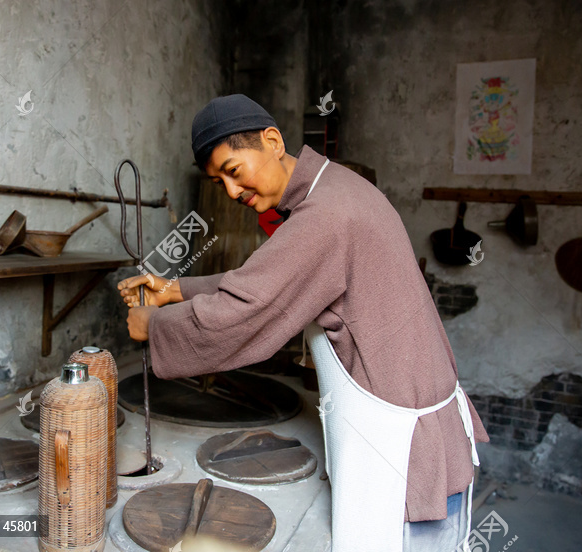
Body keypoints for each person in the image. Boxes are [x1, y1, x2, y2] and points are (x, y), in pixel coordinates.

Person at [117, 94, 488, 552]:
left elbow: (244, 311)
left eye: (233, 171)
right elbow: (265, 278)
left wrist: (154, 326)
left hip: (401, 455)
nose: (232, 193)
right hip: (421, 429)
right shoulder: (337, 187)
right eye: (219, 184)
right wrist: (175, 289)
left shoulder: (325, 217)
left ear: (272, 141)